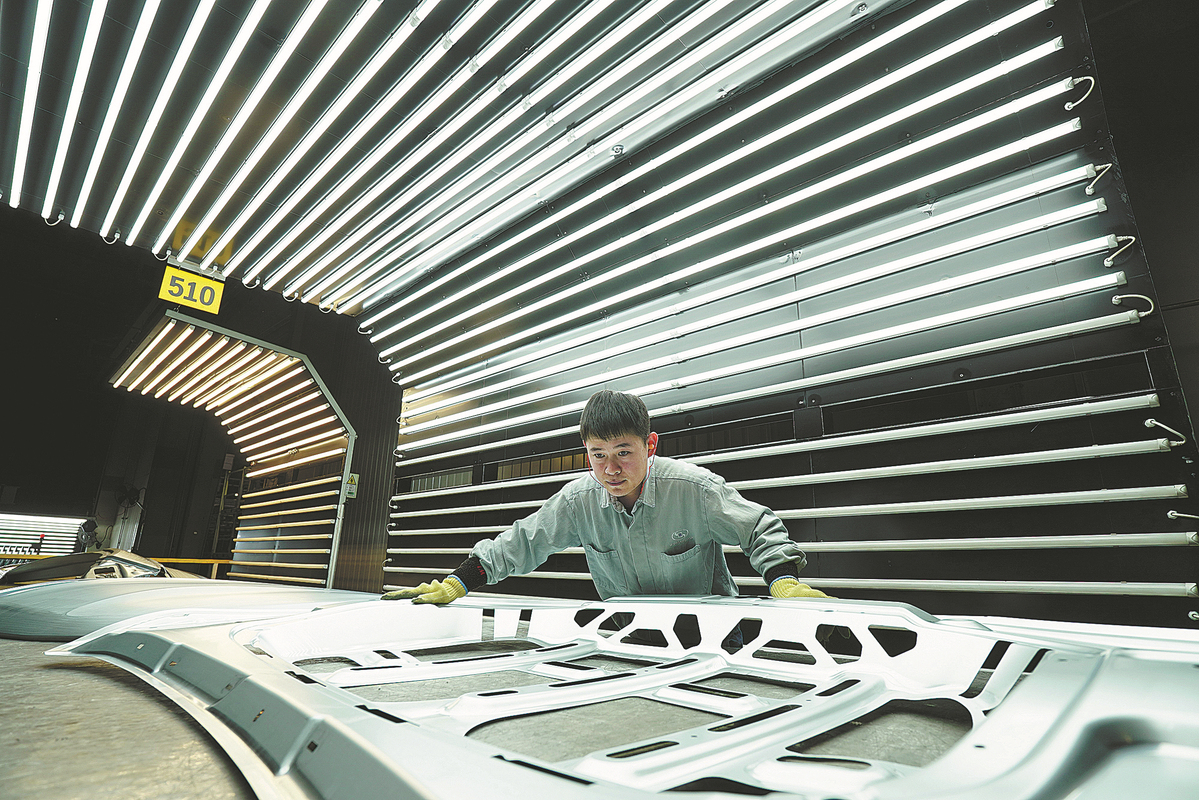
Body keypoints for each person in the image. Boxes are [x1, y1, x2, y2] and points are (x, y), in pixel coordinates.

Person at [383, 390, 829, 604]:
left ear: (650, 445)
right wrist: (456, 583)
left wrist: (783, 582)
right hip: (625, 636)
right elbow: (520, 544)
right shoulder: (577, 502)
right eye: (598, 455)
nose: (610, 469)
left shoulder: (694, 490)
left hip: (710, 637)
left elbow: (759, 528)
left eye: (623, 453)